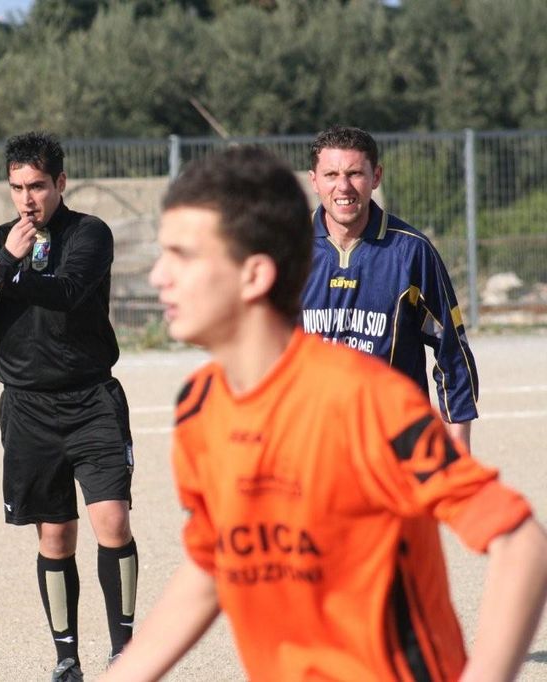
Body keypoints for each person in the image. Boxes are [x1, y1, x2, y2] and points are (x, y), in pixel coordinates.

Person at [102, 146, 547, 682]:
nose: (158, 276)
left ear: (254, 275)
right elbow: (213, 563)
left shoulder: (367, 402)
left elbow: (522, 544)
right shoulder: (200, 407)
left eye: (183, 256)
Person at [0, 131, 137, 681]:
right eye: (17, 188)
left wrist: (6, 272)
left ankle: (126, 653)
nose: (26, 199)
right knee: (55, 536)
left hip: (91, 400)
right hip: (28, 409)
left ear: (60, 182)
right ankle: (66, 659)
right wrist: (1, 262)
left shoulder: (90, 233)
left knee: (113, 521)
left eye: (36, 186)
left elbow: (69, 291)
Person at [302, 125, 478, 448]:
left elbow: (452, 353)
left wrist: (459, 450)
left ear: (376, 176)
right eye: (331, 175)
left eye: (355, 173)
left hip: (395, 445)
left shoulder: (411, 252)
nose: (343, 186)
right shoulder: (288, 250)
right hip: (313, 447)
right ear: (314, 180)